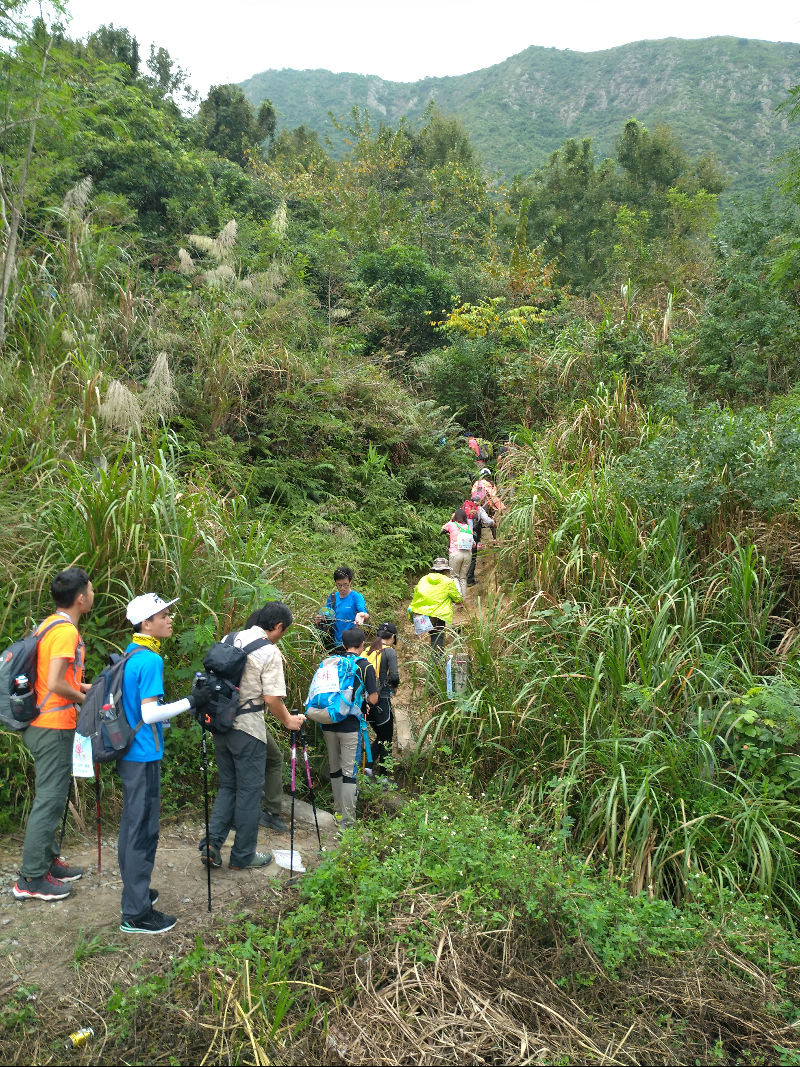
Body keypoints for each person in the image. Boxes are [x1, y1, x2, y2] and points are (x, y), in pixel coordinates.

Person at [117, 592, 204, 935]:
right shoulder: (150, 660)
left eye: (168, 613)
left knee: (131, 827)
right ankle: (135, 913)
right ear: (146, 623)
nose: (170, 619)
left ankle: (136, 894)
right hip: (142, 753)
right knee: (143, 831)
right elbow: (150, 713)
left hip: (128, 752)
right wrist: (192, 701)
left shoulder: (131, 653)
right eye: (163, 615)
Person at [201, 602, 305, 871]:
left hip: (220, 724)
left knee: (228, 787)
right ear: (279, 626)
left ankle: (211, 845)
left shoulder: (230, 637)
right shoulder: (269, 651)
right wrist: (288, 721)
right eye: (284, 631)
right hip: (247, 729)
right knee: (249, 793)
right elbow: (271, 698)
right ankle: (243, 855)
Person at [13, 568, 94, 902]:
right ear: (79, 598)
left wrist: (91, 688)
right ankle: (30, 879)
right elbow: (59, 684)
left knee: (53, 796)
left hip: (43, 721)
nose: (92, 593)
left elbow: (55, 681)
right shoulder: (65, 633)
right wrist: (86, 698)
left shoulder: (48, 624)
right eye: (90, 589)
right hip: (52, 726)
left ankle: (47, 862)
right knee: (49, 799)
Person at [320, 627, 378, 827]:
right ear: (362, 644)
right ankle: (347, 821)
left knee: (335, 768)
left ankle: (337, 813)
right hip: (351, 726)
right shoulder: (364, 666)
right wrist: (367, 703)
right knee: (349, 772)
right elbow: (373, 697)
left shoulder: (332, 662)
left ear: (343, 645)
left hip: (327, 721)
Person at [365, 622, 400, 777]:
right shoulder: (389, 652)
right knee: (386, 738)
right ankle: (384, 776)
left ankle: (368, 767)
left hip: (365, 702)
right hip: (382, 699)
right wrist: (395, 687)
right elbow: (394, 676)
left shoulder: (366, 650)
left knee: (381, 735)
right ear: (393, 637)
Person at [408, 559, 462, 653]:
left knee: (432, 637)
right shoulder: (448, 581)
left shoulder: (423, 579)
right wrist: (457, 601)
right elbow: (457, 598)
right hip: (438, 615)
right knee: (437, 640)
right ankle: (437, 664)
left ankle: (431, 660)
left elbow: (416, 592)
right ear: (446, 570)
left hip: (420, 614)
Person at [314, 566, 368, 652]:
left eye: (345, 585)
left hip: (350, 645)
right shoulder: (332, 597)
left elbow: (364, 612)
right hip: (333, 643)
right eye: (339, 585)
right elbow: (327, 614)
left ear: (350, 582)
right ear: (335, 583)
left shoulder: (356, 597)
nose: (342, 588)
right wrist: (319, 619)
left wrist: (362, 615)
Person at [441, 508, 474, 597]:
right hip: (467, 554)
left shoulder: (451, 524)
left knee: (454, 576)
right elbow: (473, 542)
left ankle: (458, 597)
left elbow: (442, 529)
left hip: (455, 553)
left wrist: (452, 519)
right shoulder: (468, 527)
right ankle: (463, 599)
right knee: (463, 577)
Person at [463, 498, 495, 588]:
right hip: (473, 536)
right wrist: (493, 522)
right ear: (479, 502)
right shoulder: (479, 509)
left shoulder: (463, 508)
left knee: (463, 556)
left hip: (461, 536)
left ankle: (461, 579)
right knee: (472, 557)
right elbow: (487, 521)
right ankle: (469, 580)